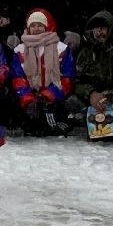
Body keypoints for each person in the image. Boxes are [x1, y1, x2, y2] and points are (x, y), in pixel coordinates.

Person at [69, 11, 113, 137]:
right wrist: (91, 93)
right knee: (72, 102)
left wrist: (109, 96)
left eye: (103, 28)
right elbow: (76, 81)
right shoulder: (84, 53)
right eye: (97, 29)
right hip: (90, 100)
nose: (100, 32)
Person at [12, 8, 74, 137]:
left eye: (40, 25)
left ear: (47, 26)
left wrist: (48, 95)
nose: (36, 29)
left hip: (52, 98)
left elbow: (67, 78)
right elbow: (18, 78)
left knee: (52, 124)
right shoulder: (20, 50)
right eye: (33, 26)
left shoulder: (61, 49)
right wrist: (28, 99)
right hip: (30, 99)